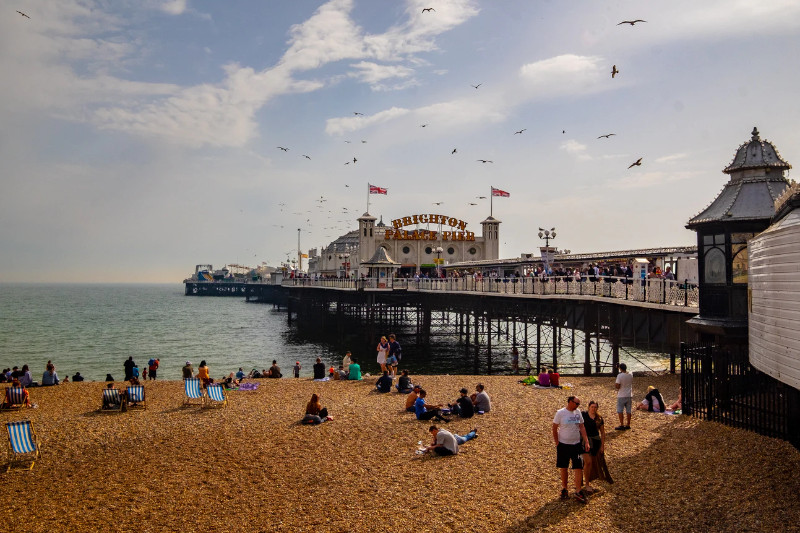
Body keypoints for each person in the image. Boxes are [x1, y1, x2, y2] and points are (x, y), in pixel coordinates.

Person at [553, 396, 590, 503]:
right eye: (576, 403)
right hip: (563, 445)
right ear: (570, 402)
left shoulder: (578, 413)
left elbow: (582, 427)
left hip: (576, 444)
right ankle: (565, 488)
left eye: (579, 404)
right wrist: (557, 442)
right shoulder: (560, 413)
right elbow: (554, 427)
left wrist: (586, 441)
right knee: (563, 467)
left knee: (578, 467)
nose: (578, 406)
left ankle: (578, 490)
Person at [582, 400, 606, 495]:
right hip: (585, 441)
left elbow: (603, 432)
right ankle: (586, 483)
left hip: (596, 442)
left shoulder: (599, 418)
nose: (593, 409)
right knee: (588, 462)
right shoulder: (583, 415)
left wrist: (602, 446)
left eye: (595, 407)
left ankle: (588, 481)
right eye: (592, 407)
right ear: (589, 407)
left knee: (594, 463)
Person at [615, 363, 633, 430]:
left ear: (620, 368)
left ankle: (622, 424)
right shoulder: (631, 374)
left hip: (621, 395)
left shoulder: (619, 376)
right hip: (629, 395)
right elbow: (627, 372)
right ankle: (628, 424)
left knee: (620, 410)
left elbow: (617, 386)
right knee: (628, 410)